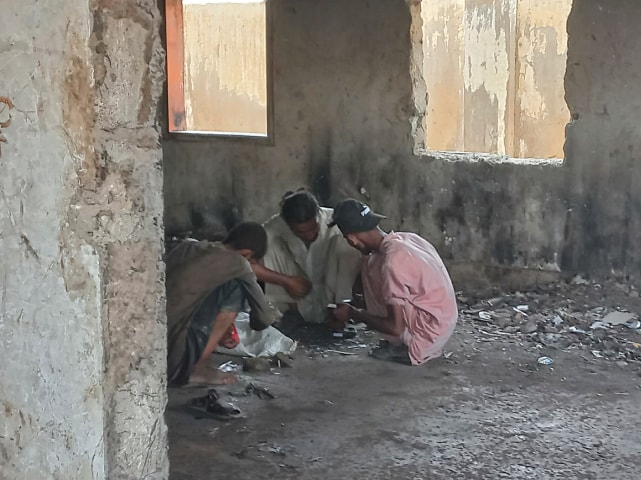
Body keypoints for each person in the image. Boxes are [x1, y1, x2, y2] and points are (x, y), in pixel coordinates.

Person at [328, 199, 458, 365]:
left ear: (352, 239)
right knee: (371, 262)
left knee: (376, 267)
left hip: (427, 336)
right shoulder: (408, 238)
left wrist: (353, 313)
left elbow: (394, 327)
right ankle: (407, 337)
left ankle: (407, 344)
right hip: (442, 321)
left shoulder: (393, 262)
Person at [166, 222, 275, 387]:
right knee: (236, 287)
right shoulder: (239, 263)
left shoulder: (186, 246)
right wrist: (251, 321)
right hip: (174, 355)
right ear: (247, 254)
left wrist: (225, 325)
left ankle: (188, 363)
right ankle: (193, 369)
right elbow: (264, 319)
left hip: (154, 342)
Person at [253, 189, 363, 324]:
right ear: (287, 224)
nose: (309, 235)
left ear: (318, 213)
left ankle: (341, 309)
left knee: (346, 242)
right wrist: (286, 281)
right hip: (296, 295)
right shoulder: (275, 226)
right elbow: (243, 262)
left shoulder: (334, 219)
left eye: (313, 228)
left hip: (331, 292)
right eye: (301, 232)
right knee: (268, 245)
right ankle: (286, 313)